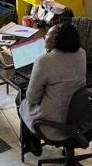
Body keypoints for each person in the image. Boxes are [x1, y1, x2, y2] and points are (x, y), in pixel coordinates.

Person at [19, 22, 87, 155]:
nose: (45, 36)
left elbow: (32, 97)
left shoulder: (44, 61)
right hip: (79, 116)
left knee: (21, 100)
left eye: (48, 34)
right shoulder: (81, 53)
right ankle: (66, 149)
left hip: (54, 124)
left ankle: (32, 142)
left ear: (55, 40)